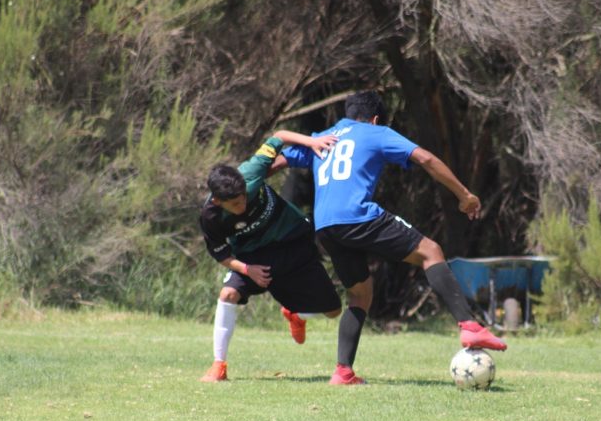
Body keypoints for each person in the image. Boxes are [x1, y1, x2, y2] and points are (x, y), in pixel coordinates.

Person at [276, 90, 507, 385]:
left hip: (325, 226)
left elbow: (276, 162)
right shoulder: (375, 132)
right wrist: (464, 195)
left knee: (360, 293)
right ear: (374, 119)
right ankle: (470, 325)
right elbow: (425, 157)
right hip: (357, 215)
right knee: (430, 251)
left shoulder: (322, 137)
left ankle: (343, 372)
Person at [198, 130, 342, 382]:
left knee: (333, 310)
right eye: (234, 205)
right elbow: (220, 254)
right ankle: (218, 365)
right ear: (219, 202)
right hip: (254, 257)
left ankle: (295, 314)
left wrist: (312, 142)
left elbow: (279, 136)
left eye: (243, 198)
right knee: (228, 294)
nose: (242, 206)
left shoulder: (251, 172)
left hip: (295, 241)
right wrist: (246, 269)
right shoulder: (210, 218)